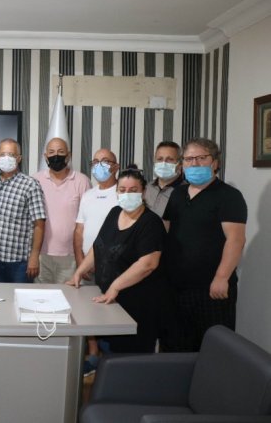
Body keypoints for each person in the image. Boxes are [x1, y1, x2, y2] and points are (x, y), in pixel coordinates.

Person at [67, 166, 165, 353]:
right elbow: (99, 246)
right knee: (109, 348)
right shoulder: (114, 212)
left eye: (133, 190)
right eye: (122, 190)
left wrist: (116, 286)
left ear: (143, 192)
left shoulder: (151, 223)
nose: (127, 194)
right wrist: (79, 272)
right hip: (109, 298)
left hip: (137, 302)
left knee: (129, 356)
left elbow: (148, 264)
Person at [163, 138, 247, 351]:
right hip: (176, 288)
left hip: (212, 290)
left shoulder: (229, 196)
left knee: (213, 350)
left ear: (215, 163)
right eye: (189, 159)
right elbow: (165, 230)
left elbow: (236, 240)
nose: (194, 163)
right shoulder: (178, 194)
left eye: (201, 158)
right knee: (176, 348)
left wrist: (221, 278)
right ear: (182, 164)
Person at [0, 139, 46, 283]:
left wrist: (34, 256)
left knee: (21, 296)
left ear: (19, 158)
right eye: (2, 154)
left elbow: (39, 224)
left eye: (11, 155)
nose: (6, 158)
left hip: (20, 262)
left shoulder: (30, 184)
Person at [32, 137, 91, 284]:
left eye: (60, 152)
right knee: (42, 296)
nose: (56, 156)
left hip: (71, 257)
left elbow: (88, 220)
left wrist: (82, 258)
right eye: (51, 152)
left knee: (71, 296)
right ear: (45, 156)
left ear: (68, 155)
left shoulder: (82, 181)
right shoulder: (34, 180)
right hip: (42, 256)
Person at [74, 148, 120, 270]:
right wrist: (80, 261)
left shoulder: (123, 194)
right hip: (86, 265)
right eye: (95, 162)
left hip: (113, 266)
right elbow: (79, 231)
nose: (99, 166)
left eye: (105, 161)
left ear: (116, 167)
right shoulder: (87, 195)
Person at [145, 141, 184, 217]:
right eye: (160, 159)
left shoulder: (186, 192)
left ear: (180, 164)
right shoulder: (146, 188)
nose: (163, 163)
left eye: (170, 159)